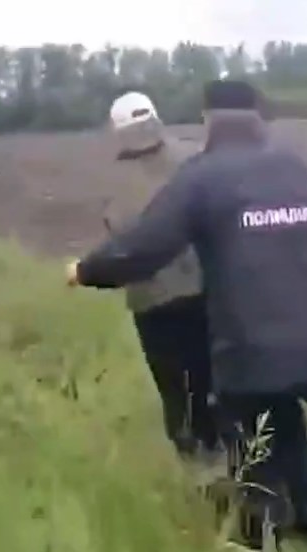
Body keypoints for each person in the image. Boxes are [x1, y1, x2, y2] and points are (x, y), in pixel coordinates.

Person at [66, 79, 307, 551]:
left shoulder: (202, 176)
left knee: (246, 438)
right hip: (305, 334)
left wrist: (86, 270)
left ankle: (264, 547)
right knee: (287, 423)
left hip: (240, 338)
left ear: (207, 118)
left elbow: (144, 246)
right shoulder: (291, 166)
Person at [99, 90, 219, 461]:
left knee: (171, 385)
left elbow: (118, 234)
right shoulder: (196, 156)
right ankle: (218, 447)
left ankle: (189, 454)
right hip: (205, 288)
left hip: (151, 299)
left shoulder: (116, 179)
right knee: (208, 376)